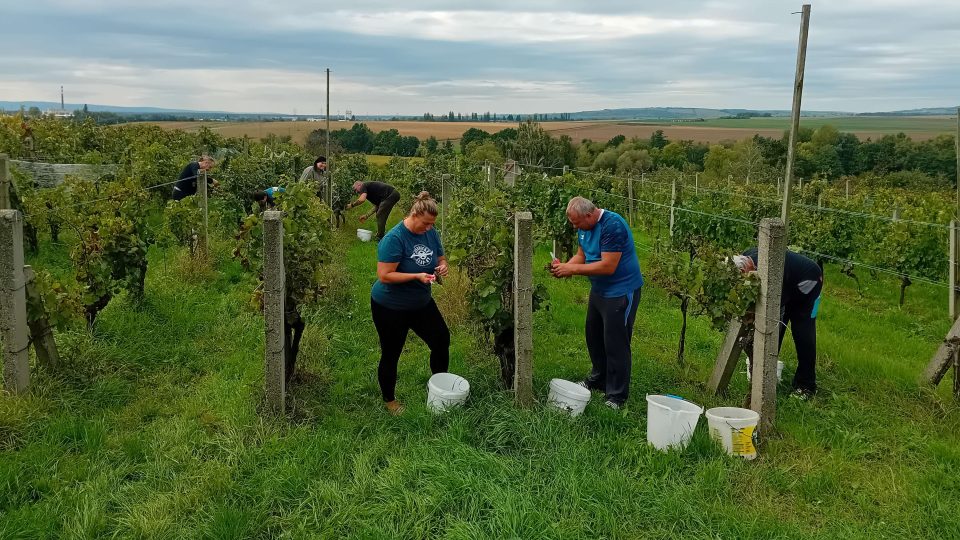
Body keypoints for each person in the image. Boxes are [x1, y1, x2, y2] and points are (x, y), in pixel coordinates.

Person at [550, 196, 644, 410]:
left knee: (616, 343)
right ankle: (599, 379)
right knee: (594, 337)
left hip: (621, 291)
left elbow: (608, 266)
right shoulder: (585, 227)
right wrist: (565, 267)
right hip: (600, 291)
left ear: (589, 215)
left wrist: (572, 269)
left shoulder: (613, 226)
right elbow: (581, 255)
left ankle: (616, 396)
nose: (574, 227)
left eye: (577, 223)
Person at [370, 191, 450, 415]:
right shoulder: (395, 239)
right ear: (414, 215)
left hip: (420, 302)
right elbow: (385, 275)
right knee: (391, 352)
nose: (429, 228)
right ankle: (390, 400)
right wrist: (416, 276)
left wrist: (442, 266)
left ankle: (439, 388)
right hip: (390, 306)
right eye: (425, 223)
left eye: (432, 224)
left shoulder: (431, 233)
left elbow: (440, 258)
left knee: (441, 340)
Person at [733, 248, 823, 399]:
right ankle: (766, 373)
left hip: (809, 280)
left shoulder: (767, 271)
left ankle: (806, 385)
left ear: (745, 270)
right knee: (775, 327)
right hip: (787, 281)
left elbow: (770, 306)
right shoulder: (747, 257)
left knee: (802, 330)